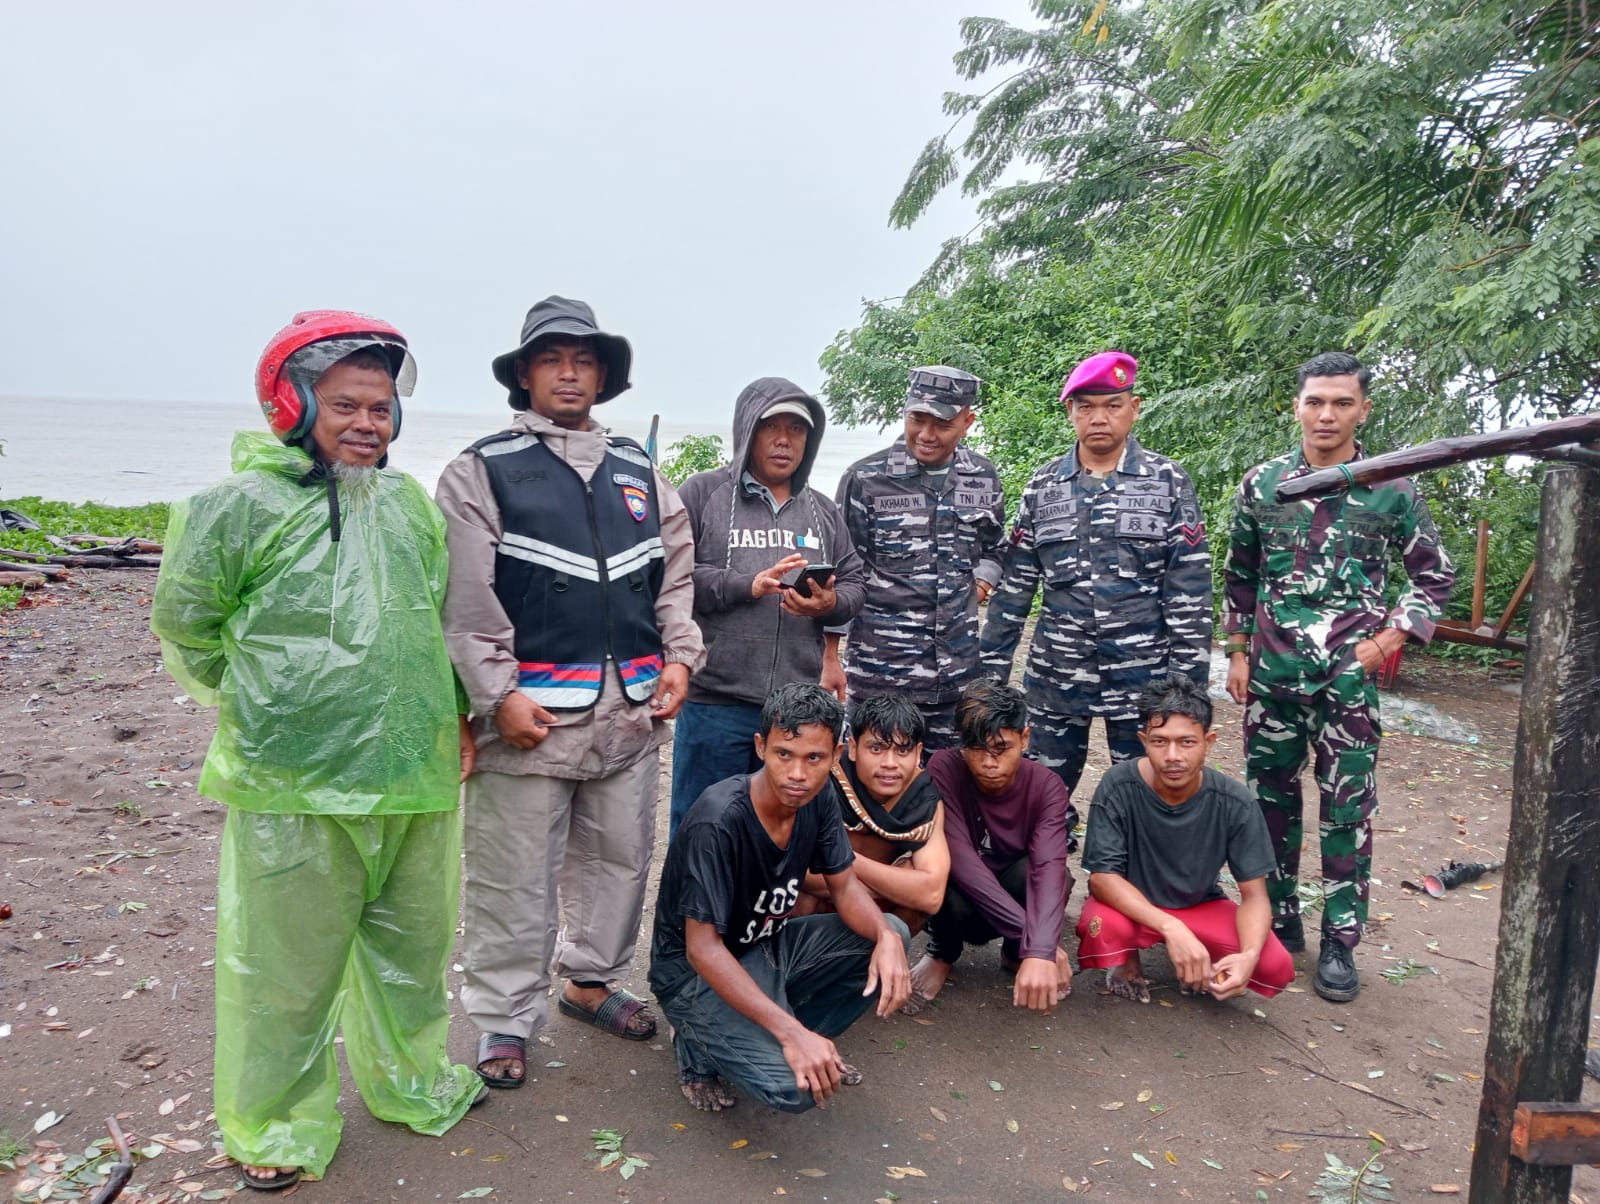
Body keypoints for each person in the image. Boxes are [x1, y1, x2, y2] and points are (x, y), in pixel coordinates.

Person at [151, 311, 481, 1190]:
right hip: (292, 782)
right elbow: (188, 627)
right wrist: (275, 701)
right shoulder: (232, 510)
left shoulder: (408, 506)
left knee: (412, 954)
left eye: (380, 407)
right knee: (284, 975)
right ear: (291, 403)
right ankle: (274, 1125)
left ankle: (412, 1081)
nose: (368, 423)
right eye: (346, 405)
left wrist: (451, 720)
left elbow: (430, 622)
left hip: (411, 775)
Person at [436, 296, 704, 1088]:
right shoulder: (480, 469)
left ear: (602, 376)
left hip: (631, 711)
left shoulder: (638, 471)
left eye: (583, 360)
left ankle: (589, 982)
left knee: (619, 860)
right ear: (524, 374)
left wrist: (680, 660)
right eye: (552, 359)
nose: (568, 372)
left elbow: (674, 576)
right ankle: (504, 1017)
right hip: (530, 719)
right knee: (512, 874)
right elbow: (464, 599)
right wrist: (495, 696)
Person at [1223, 350, 1454, 1003]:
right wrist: (1237, 649)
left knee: (1347, 811)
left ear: (1363, 409)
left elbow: (1434, 576)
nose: (1327, 415)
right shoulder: (1262, 485)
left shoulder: (1391, 487)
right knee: (1268, 804)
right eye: (1315, 401)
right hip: (1272, 675)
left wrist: (1389, 639)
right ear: (1296, 405)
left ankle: (1340, 943)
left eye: (1342, 403)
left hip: (1347, 681)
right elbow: (1239, 575)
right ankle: (1280, 917)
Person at [649, 683, 912, 1113]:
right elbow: (702, 949)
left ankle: (800, 1039)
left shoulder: (819, 795)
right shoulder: (718, 820)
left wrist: (884, 936)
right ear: (761, 747)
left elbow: (844, 886)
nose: (797, 774)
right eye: (784, 754)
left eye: (814, 758)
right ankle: (699, 1049)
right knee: (799, 1090)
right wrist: (791, 1034)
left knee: (893, 935)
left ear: (836, 754)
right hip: (693, 976)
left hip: (764, 947)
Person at [981, 351, 1211, 796]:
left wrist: (1187, 689)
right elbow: (1014, 592)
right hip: (1057, 678)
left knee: (1149, 794)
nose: (1099, 418)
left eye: (1112, 405)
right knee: (1042, 793)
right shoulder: (1043, 487)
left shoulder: (1168, 482)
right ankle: (1048, 866)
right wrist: (990, 682)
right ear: (1070, 412)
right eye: (1085, 406)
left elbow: (1190, 591)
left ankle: (1135, 867)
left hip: (1145, 679)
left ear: (1135, 408)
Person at [668, 377, 865, 839]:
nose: (783, 439)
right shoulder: (702, 494)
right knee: (700, 831)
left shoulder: (822, 511)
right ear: (746, 432)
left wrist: (828, 604)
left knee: (776, 836)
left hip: (792, 712)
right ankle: (686, 916)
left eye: (796, 430)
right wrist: (746, 586)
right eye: (770, 426)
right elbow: (670, 578)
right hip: (715, 703)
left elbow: (856, 583)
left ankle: (761, 915)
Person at [1076, 674, 1296, 1003]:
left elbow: (1254, 896)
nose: (1173, 755)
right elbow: (1103, 879)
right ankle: (1127, 960)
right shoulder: (1118, 785)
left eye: (1187, 742)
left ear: (1209, 742)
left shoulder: (1235, 800)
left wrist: (1248, 955)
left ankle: (1206, 961)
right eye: (1160, 741)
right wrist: (1171, 928)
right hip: (1130, 906)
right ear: (1143, 740)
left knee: (1275, 966)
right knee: (1102, 927)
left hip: (1199, 905)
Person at [832, 367, 1007, 749]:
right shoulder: (865, 479)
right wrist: (830, 654)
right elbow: (843, 568)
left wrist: (981, 582)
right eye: (917, 419)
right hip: (882, 675)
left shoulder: (983, 476)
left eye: (942, 423)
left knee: (943, 788)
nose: (926, 434)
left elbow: (995, 546)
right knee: (873, 789)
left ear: (966, 422)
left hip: (956, 675)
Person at [906, 681, 1076, 1014]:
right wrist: (1040, 946)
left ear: (1025, 738)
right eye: (977, 749)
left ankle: (1015, 954)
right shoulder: (944, 767)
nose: (988, 762)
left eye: (1001, 748)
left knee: (1056, 878)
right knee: (939, 876)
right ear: (961, 744)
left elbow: (1048, 867)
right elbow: (963, 862)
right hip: (962, 895)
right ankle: (942, 952)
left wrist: (1036, 947)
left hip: (1012, 887)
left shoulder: (1047, 787)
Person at [794, 692, 950, 931]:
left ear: (919, 753)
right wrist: (899, 883)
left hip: (880, 913)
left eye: (902, 751)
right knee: (798, 896)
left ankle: (874, 963)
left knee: (915, 907)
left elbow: (931, 896)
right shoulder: (826, 782)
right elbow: (796, 872)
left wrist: (845, 860)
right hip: (820, 904)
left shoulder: (924, 801)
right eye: (876, 749)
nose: (889, 763)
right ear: (854, 748)